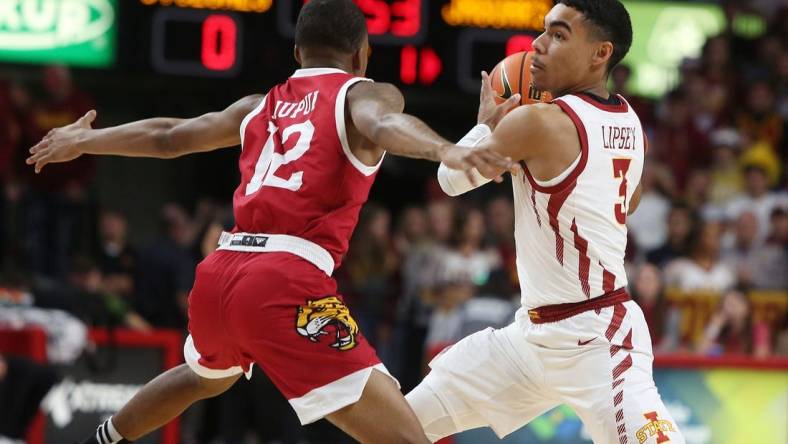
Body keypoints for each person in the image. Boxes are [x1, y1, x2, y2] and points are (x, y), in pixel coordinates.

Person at [25, 1, 519, 443]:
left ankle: (105, 438)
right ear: (363, 55)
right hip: (286, 280)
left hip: (221, 273)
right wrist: (446, 148)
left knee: (204, 375)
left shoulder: (258, 105)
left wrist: (84, 140)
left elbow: (169, 136)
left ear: (298, 52)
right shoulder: (363, 94)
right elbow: (384, 125)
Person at [408, 1, 685, 443]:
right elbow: (628, 202)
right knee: (400, 426)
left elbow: (450, 180)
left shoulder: (536, 121)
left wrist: (485, 127)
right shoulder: (631, 122)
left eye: (558, 35)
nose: (537, 44)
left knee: (396, 430)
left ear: (601, 53)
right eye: (543, 31)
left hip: (597, 340)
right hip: (532, 339)